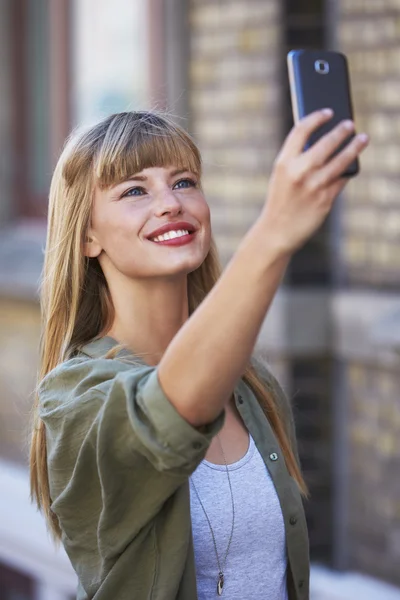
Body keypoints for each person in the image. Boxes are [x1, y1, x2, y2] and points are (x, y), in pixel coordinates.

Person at [30, 110, 368, 600]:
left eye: (184, 182)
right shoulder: (74, 399)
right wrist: (273, 231)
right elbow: (166, 410)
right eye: (134, 190)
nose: (170, 203)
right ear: (87, 237)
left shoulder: (253, 386)